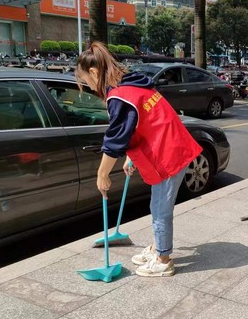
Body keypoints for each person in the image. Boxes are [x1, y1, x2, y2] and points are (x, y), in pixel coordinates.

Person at [75, 42, 203, 277]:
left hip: (168, 155)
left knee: (160, 209)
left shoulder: (120, 96)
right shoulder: (132, 83)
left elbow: (115, 139)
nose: (88, 86)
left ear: (93, 72)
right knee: (158, 205)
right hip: (172, 146)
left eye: (85, 80)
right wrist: (131, 158)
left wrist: (102, 174)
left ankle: (163, 260)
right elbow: (143, 123)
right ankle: (157, 247)